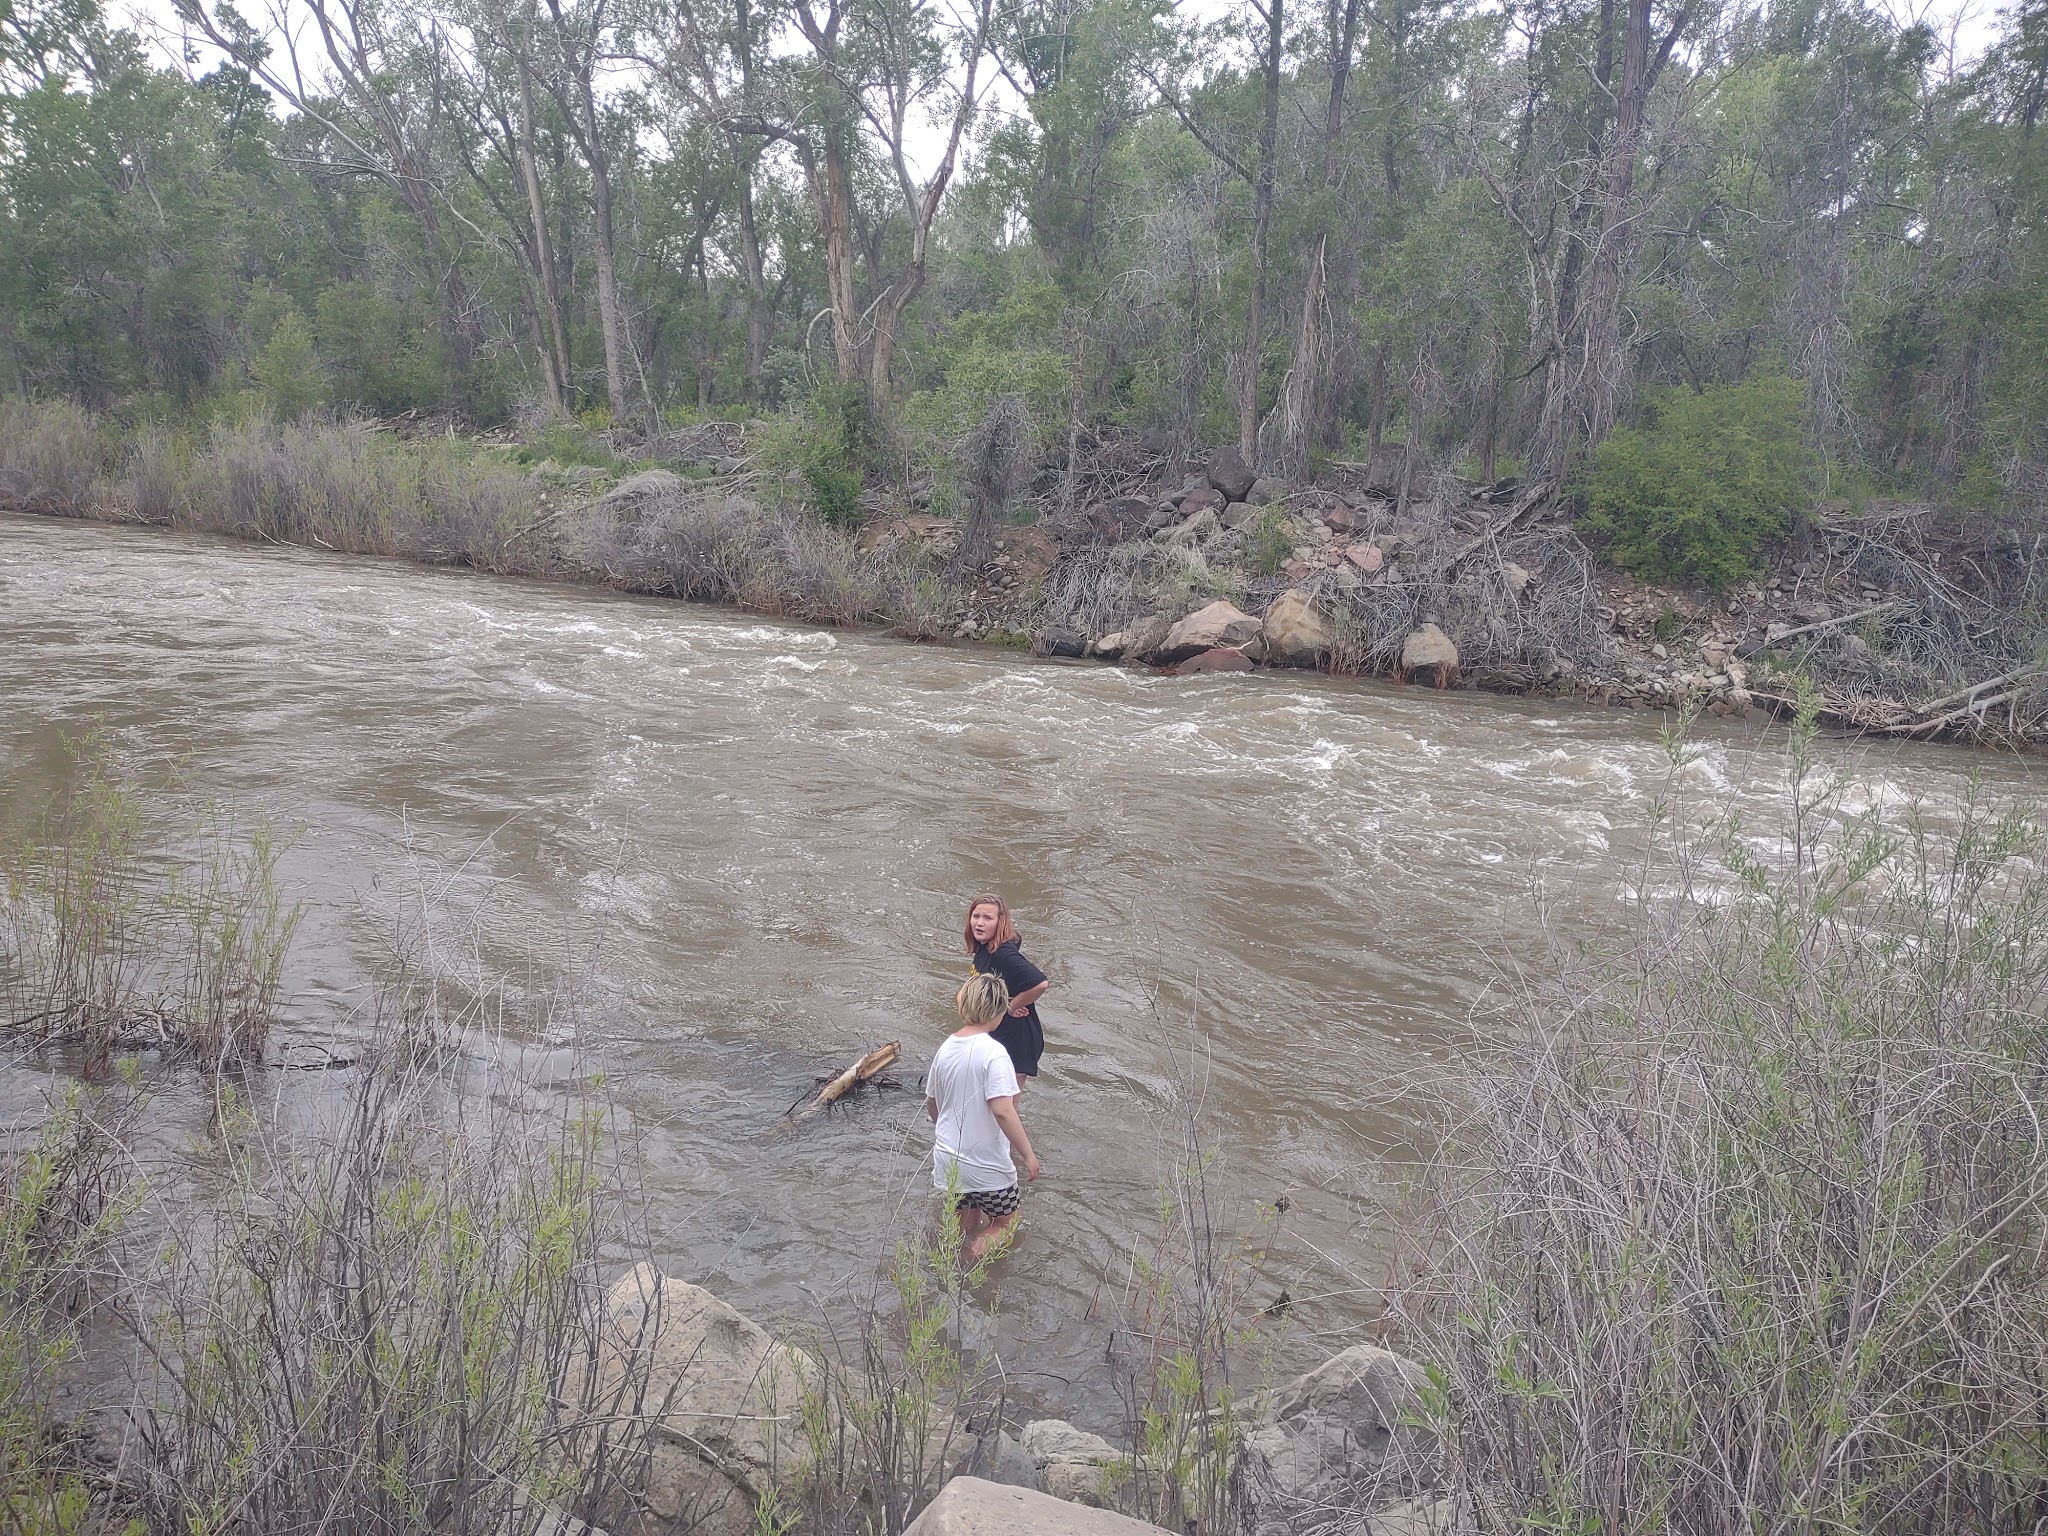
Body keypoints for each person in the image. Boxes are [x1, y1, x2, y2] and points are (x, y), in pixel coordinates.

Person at [927, 973, 1041, 1263]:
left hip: (948, 1159)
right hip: (986, 1164)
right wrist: (1028, 1155)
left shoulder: (945, 1047)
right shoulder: (994, 1053)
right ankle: (970, 1266)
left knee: (963, 1223)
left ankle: (947, 1269)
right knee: (1006, 1223)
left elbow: (932, 1106)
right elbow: (1003, 1110)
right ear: (1000, 1010)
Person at [963, 894, 1050, 1085]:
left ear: (1000, 923)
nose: (979, 923)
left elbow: (1040, 983)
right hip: (995, 1032)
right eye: (976, 916)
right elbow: (1016, 937)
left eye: (988, 918)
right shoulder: (985, 945)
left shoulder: (1003, 954)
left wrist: (1010, 1006)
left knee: (1004, 1109)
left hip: (1016, 1039)